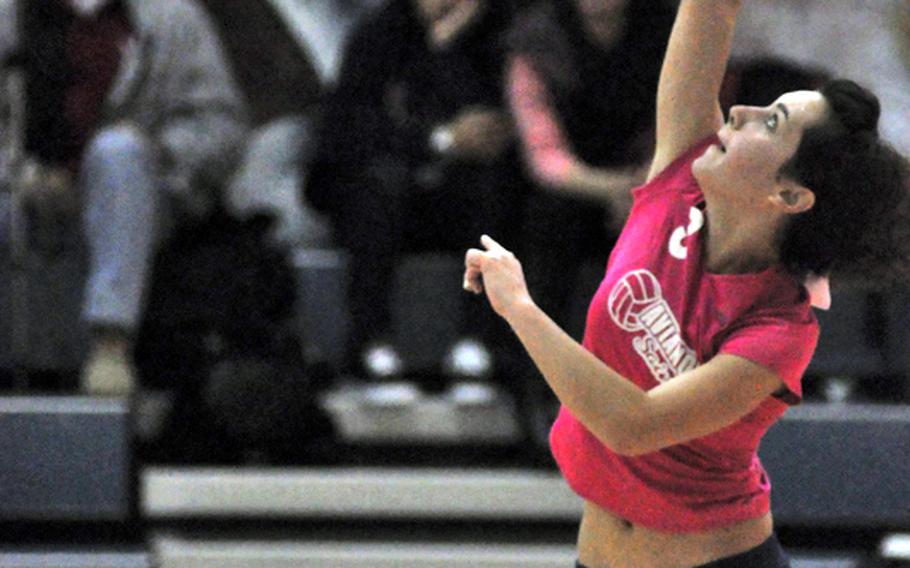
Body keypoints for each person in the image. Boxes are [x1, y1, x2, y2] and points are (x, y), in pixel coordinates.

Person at [463, 0, 909, 566]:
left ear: (789, 196)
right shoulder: (678, 174)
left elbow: (633, 424)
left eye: (771, 122)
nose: (740, 109)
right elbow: (711, 10)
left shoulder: (779, 331)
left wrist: (521, 308)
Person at [0, 0, 247, 396]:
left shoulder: (173, 19)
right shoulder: (9, 18)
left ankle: (111, 344)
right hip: (26, 195)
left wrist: (155, 152)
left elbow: (221, 128)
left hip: (139, 192)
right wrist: (22, 176)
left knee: (118, 153)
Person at [305, 0, 523, 387]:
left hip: (460, 198)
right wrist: (440, 140)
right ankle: (370, 342)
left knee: (495, 185)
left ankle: (479, 342)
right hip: (385, 193)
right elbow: (349, 131)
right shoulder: (379, 33)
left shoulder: (499, 34)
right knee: (378, 187)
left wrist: (450, 46)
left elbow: (499, 123)